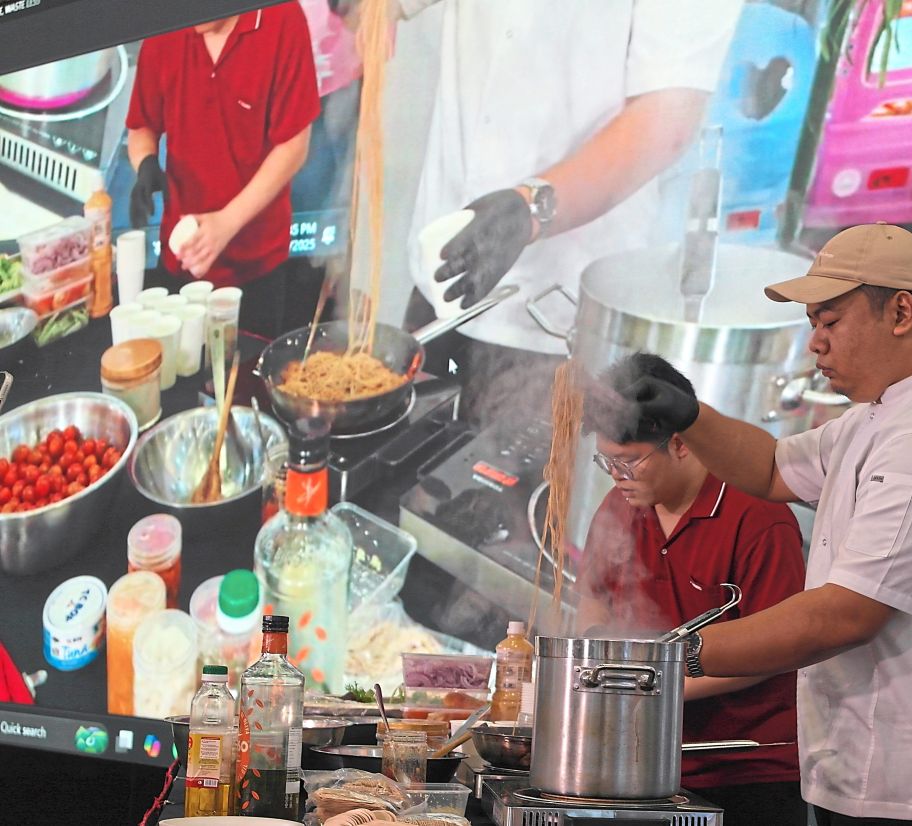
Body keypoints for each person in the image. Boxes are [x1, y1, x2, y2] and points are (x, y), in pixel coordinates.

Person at [617, 223, 912, 825]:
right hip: (857, 767)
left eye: (830, 322)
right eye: (812, 325)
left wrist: (671, 656)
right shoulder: (875, 418)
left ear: (902, 312)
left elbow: (846, 614)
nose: (816, 344)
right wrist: (689, 415)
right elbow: (772, 468)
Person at [396, 0, 742, 421]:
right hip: (444, 267)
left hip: (558, 317)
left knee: (525, 482)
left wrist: (529, 209)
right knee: (402, 467)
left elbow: (666, 116)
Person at [576, 352, 806, 824]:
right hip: (640, 765)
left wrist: (647, 682)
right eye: (606, 462)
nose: (617, 477)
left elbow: (779, 648)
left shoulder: (758, 515)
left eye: (629, 462)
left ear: (680, 444)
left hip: (747, 768)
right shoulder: (621, 506)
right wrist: (599, 656)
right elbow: (594, 594)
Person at [126, 3, 322, 338]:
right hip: (182, 258)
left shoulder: (281, 18)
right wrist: (145, 165)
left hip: (257, 264)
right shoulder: (166, 25)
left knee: (244, 379)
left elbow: (293, 145)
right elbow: (142, 126)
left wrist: (227, 222)